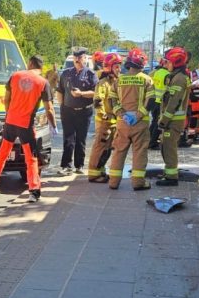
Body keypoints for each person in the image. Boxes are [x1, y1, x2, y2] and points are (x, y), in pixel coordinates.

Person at [0, 55, 57, 203]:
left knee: (2, 153)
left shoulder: (15, 76)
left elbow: (6, 99)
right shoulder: (43, 83)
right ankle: (34, 190)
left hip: (10, 122)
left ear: (29, 63)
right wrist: (53, 125)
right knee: (31, 158)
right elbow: (49, 109)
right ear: (40, 67)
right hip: (26, 124)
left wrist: (9, 114)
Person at [107, 48, 155, 191]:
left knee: (119, 151)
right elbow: (151, 100)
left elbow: (111, 101)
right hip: (140, 123)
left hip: (123, 123)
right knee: (139, 152)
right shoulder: (147, 79)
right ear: (142, 63)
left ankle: (113, 182)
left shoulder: (119, 80)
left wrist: (121, 114)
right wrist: (139, 115)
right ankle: (138, 183)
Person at [55, 47, 97, 174]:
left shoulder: (91, 74)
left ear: (85, 58)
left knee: (81, 139)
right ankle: (66, 166)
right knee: (68, 139)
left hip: (84, 112)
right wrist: (62, 106)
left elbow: (96, 93)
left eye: (80, 57)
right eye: (76, 58)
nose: (78, 60)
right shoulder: (66, 73)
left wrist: (82, 94)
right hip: (68, 111)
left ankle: (79, 166)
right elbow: (60, 91)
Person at [156, 47, 191, 187]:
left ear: (176, 62)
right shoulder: (177, 77)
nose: (166, 64)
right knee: (165, 146)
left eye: (168, 61)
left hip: (173, 121)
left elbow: (174, 102)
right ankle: (169, 172)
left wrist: (164, 120)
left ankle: (171, 177)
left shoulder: (179, 79)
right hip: (172, 120)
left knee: (169, 148)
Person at [87, 52, 123, 183]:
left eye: (119, 66)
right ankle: (93, 174)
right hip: (104, 123)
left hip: (112, 122)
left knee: (106, 149)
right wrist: (104, 116)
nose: (119, 69)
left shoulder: (115, 82)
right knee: (100, 147)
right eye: (117, 67)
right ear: (109, 67)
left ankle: (100, 170)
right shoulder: (103, 83)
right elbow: (98, 101)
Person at [148, 57, 170, 150]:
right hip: (161, 102)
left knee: (154, 122)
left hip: (154, 100)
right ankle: (152, 143)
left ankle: (149, 141)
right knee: (158, 123)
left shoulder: (155, 72)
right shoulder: (168, 74)